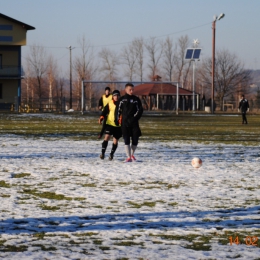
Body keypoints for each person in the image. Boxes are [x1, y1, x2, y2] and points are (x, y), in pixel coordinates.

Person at [116, 83, 143, 162]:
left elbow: (140, 110)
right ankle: (128, 157)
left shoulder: (136, 99)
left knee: (135, 140)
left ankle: (132, 154)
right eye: (130, 90)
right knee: (126, 139)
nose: (132, 91)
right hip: (125, 123)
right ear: (126, 90)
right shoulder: (122, 99)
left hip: (134, 123)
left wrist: (135, 118)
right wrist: (117, 119)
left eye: (133, 89)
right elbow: (118, 110)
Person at [98, 90, 122, 160]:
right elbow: (104, 112)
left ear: (119, 96)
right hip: (110, 124)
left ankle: (111, 154)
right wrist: (101, 118)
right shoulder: (110, 104)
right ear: (113, 96)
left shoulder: (122, 104)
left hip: (118, 126)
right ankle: (102, 153)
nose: (116, 97)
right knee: (107, 137)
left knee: (115, 141)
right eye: (115, 96)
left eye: (117, 95)